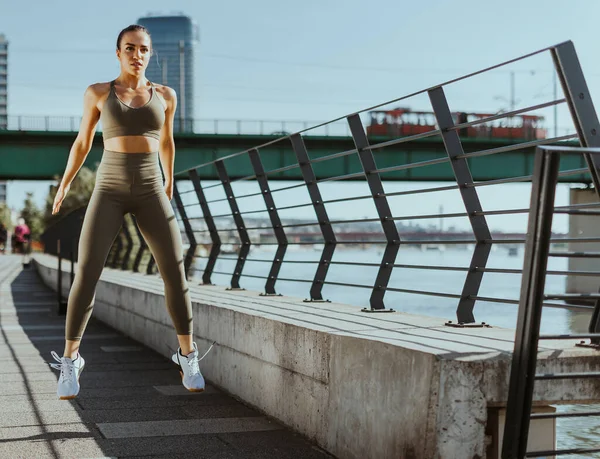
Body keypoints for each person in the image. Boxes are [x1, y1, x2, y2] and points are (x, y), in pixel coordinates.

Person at [48, 24, 205, 400]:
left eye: (143, 49)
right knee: (87, 271)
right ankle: (71, 360)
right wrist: (67, 183)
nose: (137, 55)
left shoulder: (166, 95)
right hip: (110, 188)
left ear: (151, 54)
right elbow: (83, 141)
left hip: (151, 188)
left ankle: (187, 355)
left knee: (174, 269)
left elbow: (166, 141)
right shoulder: (99, 93)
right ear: (118, 53)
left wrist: (168, 180)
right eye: (130, 48)